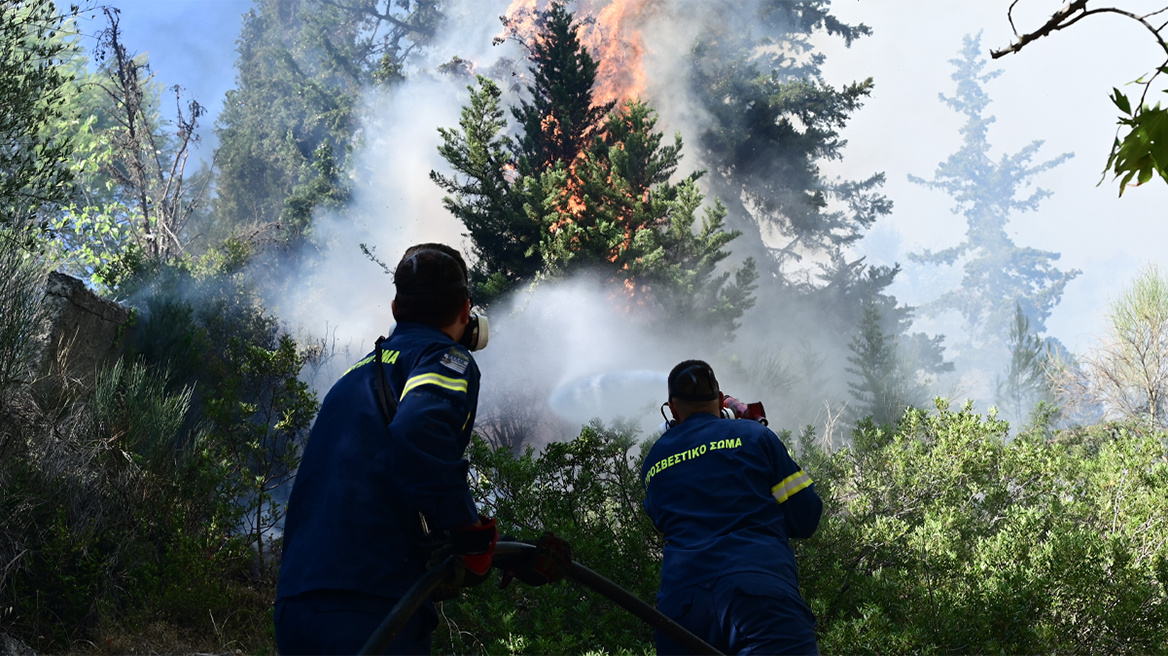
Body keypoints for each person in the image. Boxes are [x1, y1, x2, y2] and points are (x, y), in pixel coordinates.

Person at [274, 243, 497, 655]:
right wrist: (469, 533)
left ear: (396, 308)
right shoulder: (443, 357)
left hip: (299, 603)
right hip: (372, 605)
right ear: (466, 312)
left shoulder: (355, 375)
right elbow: (420, 429)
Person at [641, 360, 823, 655]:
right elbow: (807, 517)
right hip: (760, 596)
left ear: (672, 409)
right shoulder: (755, 436)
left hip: (682, 611)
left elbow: (661, 523)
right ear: (720, 399)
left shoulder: (653, 462)